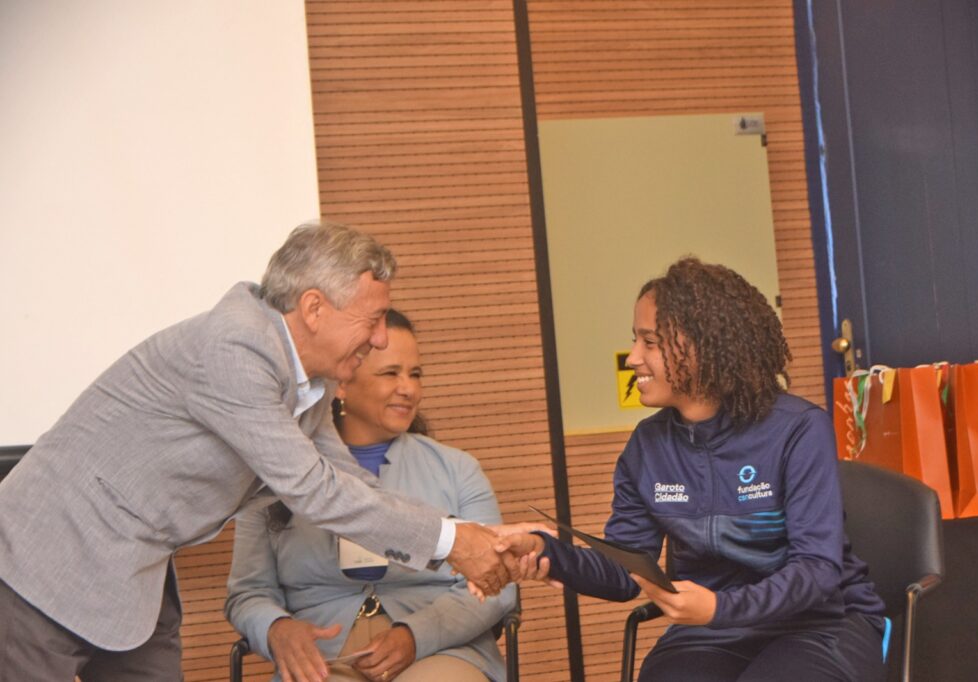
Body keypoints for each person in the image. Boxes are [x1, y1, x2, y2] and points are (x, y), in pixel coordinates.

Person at [0, 222, 514, 680]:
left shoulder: (305, 379)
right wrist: (453, 542)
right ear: (314, 308)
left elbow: (349, 481)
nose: (381, 339)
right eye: (373, 319)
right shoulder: (236, 350)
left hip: (135, 572)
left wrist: (476, 538)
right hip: (49, 558)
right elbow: (316, 491)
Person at [499, 258, 887, 681]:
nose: (633, 358)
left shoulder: (798, 429)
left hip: (820, 624)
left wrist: (719, 607)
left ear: (703, 345)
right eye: (635, 340)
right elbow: (625, 571)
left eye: (650, 342)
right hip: (710, 632)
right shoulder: (647, 447)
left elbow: (816, 571)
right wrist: (545, 551)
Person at [227, 310, 516, 682]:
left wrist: (416, 635)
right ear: (342, 383)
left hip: (442, 651)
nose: (409, 389)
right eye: (390, 373)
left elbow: (498, 586)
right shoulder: (278, 473)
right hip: (324, 659)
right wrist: (276, 628)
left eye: (415, 374)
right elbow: (248, 593)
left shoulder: (458, 469)